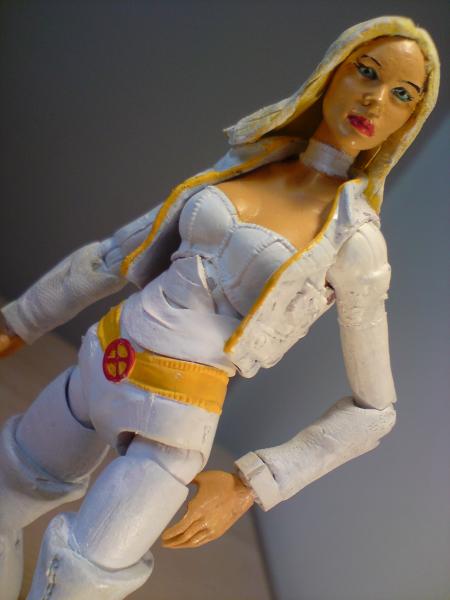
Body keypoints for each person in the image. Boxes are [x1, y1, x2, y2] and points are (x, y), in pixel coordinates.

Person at [0, 15, 440, 600]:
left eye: (403, 95)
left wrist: (250, 483)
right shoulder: (246, 162)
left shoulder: (355, 242)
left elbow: (376, 410)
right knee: (6, 496)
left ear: (409, 121)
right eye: (367, 72)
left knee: (76, 581)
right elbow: (112, 256)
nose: (375, 99)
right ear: (332, 72)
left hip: (168, 426)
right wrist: (18, 322)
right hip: (99, 361)